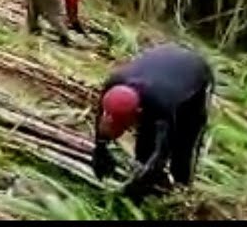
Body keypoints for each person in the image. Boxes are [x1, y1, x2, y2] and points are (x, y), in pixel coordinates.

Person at [91, 43, 215, 201]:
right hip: (159, 67)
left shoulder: (162, 104)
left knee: (184, 146)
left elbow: (161, 152)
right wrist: (100, 148)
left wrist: (145, 178)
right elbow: (101, 122)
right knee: (144, 148)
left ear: (137, 114)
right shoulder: (113, 83)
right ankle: (141, 175)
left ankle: (181, 194)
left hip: (194, 75)